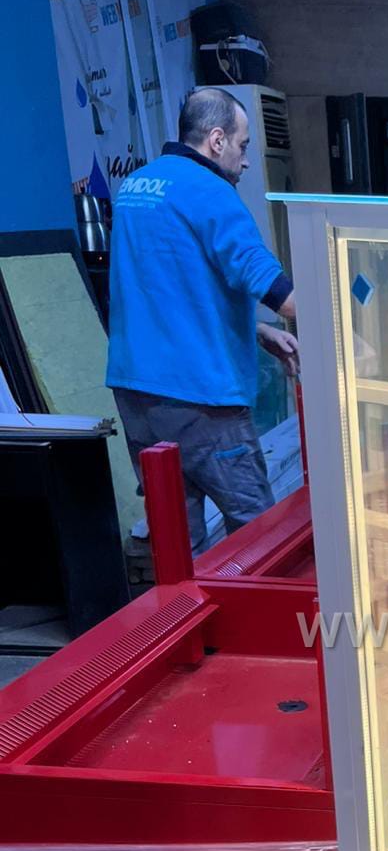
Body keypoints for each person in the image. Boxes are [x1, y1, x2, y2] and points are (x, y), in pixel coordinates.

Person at [106, 86, 300, 551]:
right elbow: (279, 293)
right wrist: (353, 324)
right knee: (257, 537)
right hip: (201, 399)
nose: (246, 161)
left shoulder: (136, 186)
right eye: (242, 145)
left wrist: (254, 330)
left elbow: (164, 290)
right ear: (216, 140)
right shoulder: (211, 193)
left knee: (178, 543)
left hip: (136, 393)